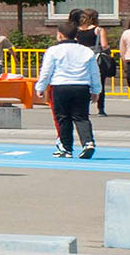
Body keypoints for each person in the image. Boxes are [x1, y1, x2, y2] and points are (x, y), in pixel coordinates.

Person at [33, 24, 102, 159]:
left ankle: (66, 148)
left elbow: (46, 71)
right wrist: (96, 90)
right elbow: (94, 72)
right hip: (82, 86)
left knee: (63, 117)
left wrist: (40, 87)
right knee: (81, 117)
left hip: (60, 86)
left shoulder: (53, 51)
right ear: (76, 35)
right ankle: (88, 142)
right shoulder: (86, 51)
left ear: (60, 34)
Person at [72, 8, 111, 116]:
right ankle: (101, 108)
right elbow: (104, 45)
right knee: (100, 83)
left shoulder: (77, 30)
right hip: (95, 59)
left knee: (84, 83)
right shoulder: (98, 30)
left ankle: (84, 108)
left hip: (80, 59)